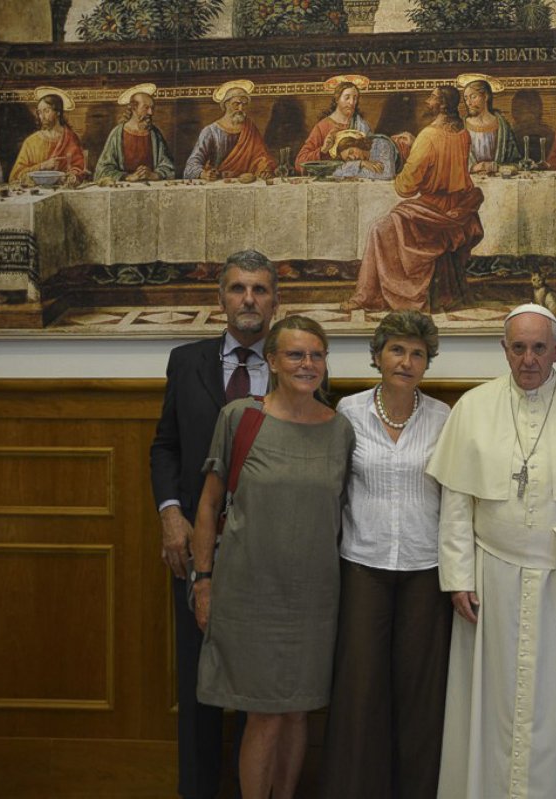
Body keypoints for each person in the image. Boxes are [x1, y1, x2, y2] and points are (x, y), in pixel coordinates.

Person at [428, 304, 556, 798]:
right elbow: (457, 503)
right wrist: (458, 577)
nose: (528, 358)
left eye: (540, 347)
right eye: (518, 347)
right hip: (491, 579)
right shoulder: (473, 407)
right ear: (504, 349)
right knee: (493, 702)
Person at [192, 314, 355, 799]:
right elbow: (207, 504)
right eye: (296, 355)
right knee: (262, 713)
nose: (308, 364)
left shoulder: (341, 429)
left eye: (317, 355)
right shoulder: (242, 418)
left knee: (297, 709)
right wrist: (203, 580)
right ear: (273, 361)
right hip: (249, 595)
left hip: (314, 599)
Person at [150, 249, 279, 799]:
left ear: (275, 300)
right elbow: (166, 447)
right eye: (237, 289)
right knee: (200, 684)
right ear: (220, 297)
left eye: (259, 289)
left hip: (268, 552)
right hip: (194, 547)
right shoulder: (186, 360)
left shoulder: (296, 363)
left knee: (262, 688)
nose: (248, 299)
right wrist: (170, 514)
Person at [321, 312, 453, 799]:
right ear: (377, 356)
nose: (407, 361)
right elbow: (331, 491)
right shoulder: (347, 413)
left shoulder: (443, 418)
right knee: (360, 692)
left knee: (422, 693)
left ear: (427, 363)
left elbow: (456, 497)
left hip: (425, 569)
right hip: (362, 565)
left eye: (418, 353)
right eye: (397, 350)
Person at [342, 86, 484, 313]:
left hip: (432, 210)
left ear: (442, 105)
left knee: (378, 229)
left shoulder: (429, 135)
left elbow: (406, 187)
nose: (427, 101)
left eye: (432, 98)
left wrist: (409, 153)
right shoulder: (462, 133)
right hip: (456, 206)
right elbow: (443, 157)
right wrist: (416, 144)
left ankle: (369, 296)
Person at [184, 80, 276, 181]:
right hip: (217, 183)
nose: (240, 108)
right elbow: (191, 165)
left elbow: (261, 157)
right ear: (226, 104)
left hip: (245, 183)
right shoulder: (210, 131)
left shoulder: (250, 128)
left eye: (244, 104)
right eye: (236, 104)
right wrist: (204, 174)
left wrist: (264, 169)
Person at [96, 83, 176, 182]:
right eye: (146, 108)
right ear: (134, 107)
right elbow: (102, 170)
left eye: (152, 108)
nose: (151, 113)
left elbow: (168, 167)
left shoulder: (154, 134)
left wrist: (154, 175)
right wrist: (127, 177)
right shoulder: (117, 134)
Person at [295, 75, 373, 173]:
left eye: (355, 98)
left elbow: (373, 155)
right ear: (337, 99)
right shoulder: (322, 127)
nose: (352, 102)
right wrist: (323, 150)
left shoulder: (362, 125)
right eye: (347, 97)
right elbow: (299, 162)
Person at [9, 87, 86, 184]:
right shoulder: (31, 142)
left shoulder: (71, 138)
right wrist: (42, 166)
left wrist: (72, 177)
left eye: (46, 111)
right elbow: (15, 176)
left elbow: (79, 167)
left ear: (58, 112)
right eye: (39, 112)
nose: (42, 117)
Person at [458, 75, 521, 174]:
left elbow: (515, 160)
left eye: (473, 97)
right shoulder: (461, 126)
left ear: (486, 96)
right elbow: (452, 162)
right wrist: (474, 168)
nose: (468, 103)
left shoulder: (502, 126)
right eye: (466, 98)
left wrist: (499, 167)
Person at [329, 129, 400, 180]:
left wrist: (353, 172)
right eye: (348, 159)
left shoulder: (381, 144)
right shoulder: (360, 161)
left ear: (357, 143)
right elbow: (337, 173)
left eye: (351, 152)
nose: (353, 158)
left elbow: (388, 174)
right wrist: (361, 163)